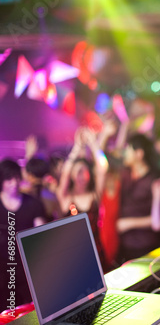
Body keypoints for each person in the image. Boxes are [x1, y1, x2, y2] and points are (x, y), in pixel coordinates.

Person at [56, 127, 109, 268]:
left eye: (85, 171)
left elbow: (103, 168)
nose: (82, 175)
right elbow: (65, 173)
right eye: (78, 172)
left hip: (97, 254)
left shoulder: (94, 195)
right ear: (72, 175)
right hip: (73, 257)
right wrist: (77, 147)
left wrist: (93, 143)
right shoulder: (66, 199)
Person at [0, 159, 46, 308]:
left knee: (28, 311)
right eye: (9, 179)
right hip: (2, 271)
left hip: (27, 270)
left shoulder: (33, 204)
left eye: (16, 178)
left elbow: (41, 237)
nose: (14, 182)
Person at [116, 133, 160, 263]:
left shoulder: (154, 180)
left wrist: (128, 223)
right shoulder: (125, 174)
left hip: (145, 245)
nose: (125, 153)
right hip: (125, 244)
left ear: (139, 154)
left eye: (128, 149)